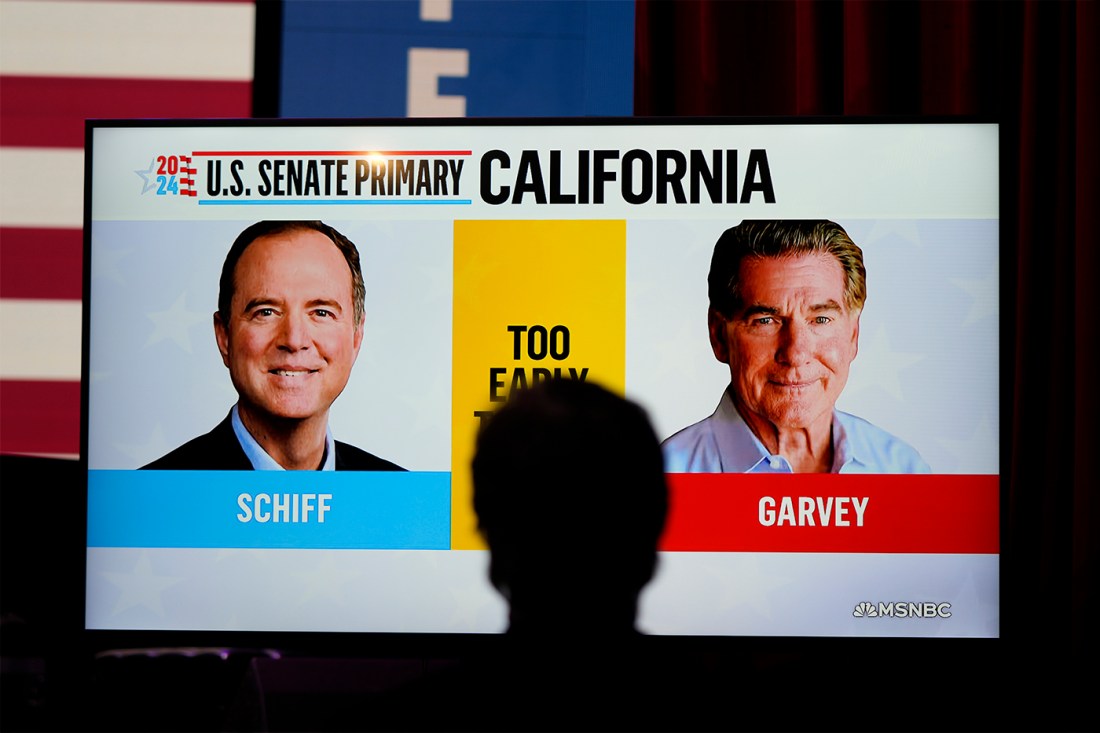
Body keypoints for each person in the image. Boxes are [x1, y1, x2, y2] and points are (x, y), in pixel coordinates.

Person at [662, 219, 929, 474]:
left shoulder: (903, 470)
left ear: (853, 335)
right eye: (766, 321)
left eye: (821, 319)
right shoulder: (656, 478)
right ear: (719, 336)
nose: (796, 354)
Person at [144, 220, 403, 471]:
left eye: (321, 313)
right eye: (266, 312)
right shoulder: (148, 498)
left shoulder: (402, 498)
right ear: (224, 337)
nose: (294, 340)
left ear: (356, 337)